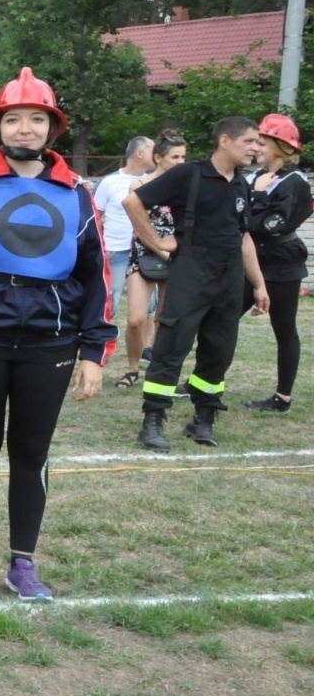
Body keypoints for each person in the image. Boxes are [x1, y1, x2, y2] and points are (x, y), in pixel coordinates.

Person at [0, 68, 114, 602]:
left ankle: (23, 563)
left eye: (36, 119)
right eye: (13, 119)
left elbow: (97, 275)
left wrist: (93, 351)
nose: (25, 129)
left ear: (51, 128)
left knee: (32, 452)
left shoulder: (76, 192)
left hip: (51, 343)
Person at [126, 116, 269, 450]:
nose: (256, 148)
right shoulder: (188, 174)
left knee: (219, 349)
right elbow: (133, 202)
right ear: (225, 141)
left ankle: (203, 419)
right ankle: (153, 421)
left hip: (229, 276)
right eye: (249, 141)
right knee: (172, 345)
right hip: (191, 272)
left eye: (258, 142)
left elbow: (243, 237)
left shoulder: (241, 184)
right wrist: (157, 242)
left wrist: (259, 284)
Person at [240, 114, 310, 412]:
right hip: (249, 260)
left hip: (282, 263)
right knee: (222, 320)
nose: (255, 148)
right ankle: (202, 381)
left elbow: (269, 224)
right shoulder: (253, 177)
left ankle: (282, 397)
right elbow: (239, 216)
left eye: (262, 143)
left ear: (281, 148)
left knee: (284, 328)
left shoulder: (295, 182)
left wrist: (256, 198)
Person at [115, 133, 186, 389]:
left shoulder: (186, 188)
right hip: (144, 254)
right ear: (158, 158)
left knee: (163, 320)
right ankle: (132, 369)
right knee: (135, 320)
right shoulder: (139, 186)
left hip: (175, 256)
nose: (180, 162)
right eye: (175, 157)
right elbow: (140, 227)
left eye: (184, 157)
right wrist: (163, 251)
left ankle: (157, 368)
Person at [93, 136, 154, 317]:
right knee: (110, 302)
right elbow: (94, 217)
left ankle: (144, 337)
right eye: (153, 150)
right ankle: (104, 334)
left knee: (150, 305)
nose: (158, 154)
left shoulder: (153, 181)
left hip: (144, 250)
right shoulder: (109, 182)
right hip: (115, 251)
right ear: (140, 153)